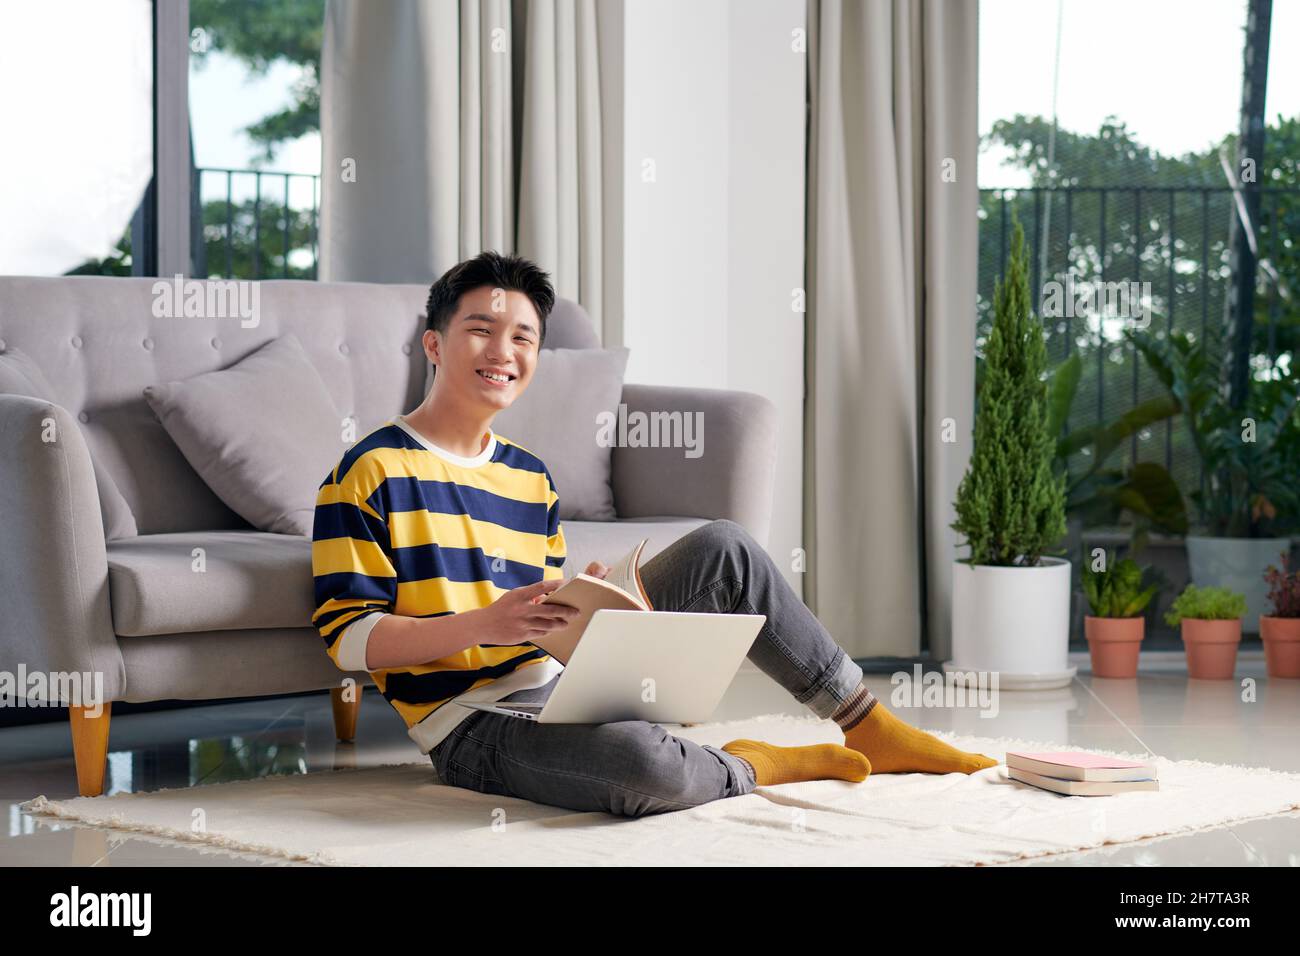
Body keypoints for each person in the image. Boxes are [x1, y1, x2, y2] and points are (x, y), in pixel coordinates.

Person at [311, 251, 997, 818]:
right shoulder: (369, 470)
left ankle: (867, 722)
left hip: (561, 684)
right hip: (469, 724)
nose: (504, 351)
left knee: (724, 546)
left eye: (523, 337)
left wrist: (598, 605)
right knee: (643, 768)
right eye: (482, 330)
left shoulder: (530, 478)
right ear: (434, 343)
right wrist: (484, 623)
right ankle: (752, 762)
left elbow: (540, 622)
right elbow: (349, 640)